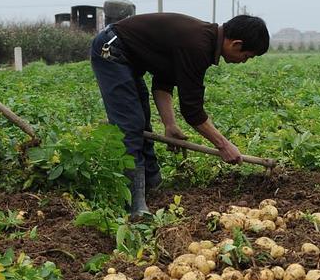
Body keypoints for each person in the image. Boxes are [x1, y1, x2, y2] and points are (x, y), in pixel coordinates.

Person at [90, 12, 270, 218]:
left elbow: (163, 81)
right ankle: (135, 204)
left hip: (127, 57)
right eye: (247, 56)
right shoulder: (198, 46)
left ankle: (152, 184)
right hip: (112, 50)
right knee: (130, 125)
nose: (244, 61)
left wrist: (169, 124)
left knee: (140, 122)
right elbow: (192, 110)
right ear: (236, 44)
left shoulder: (203, 40)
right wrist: (223, 145)